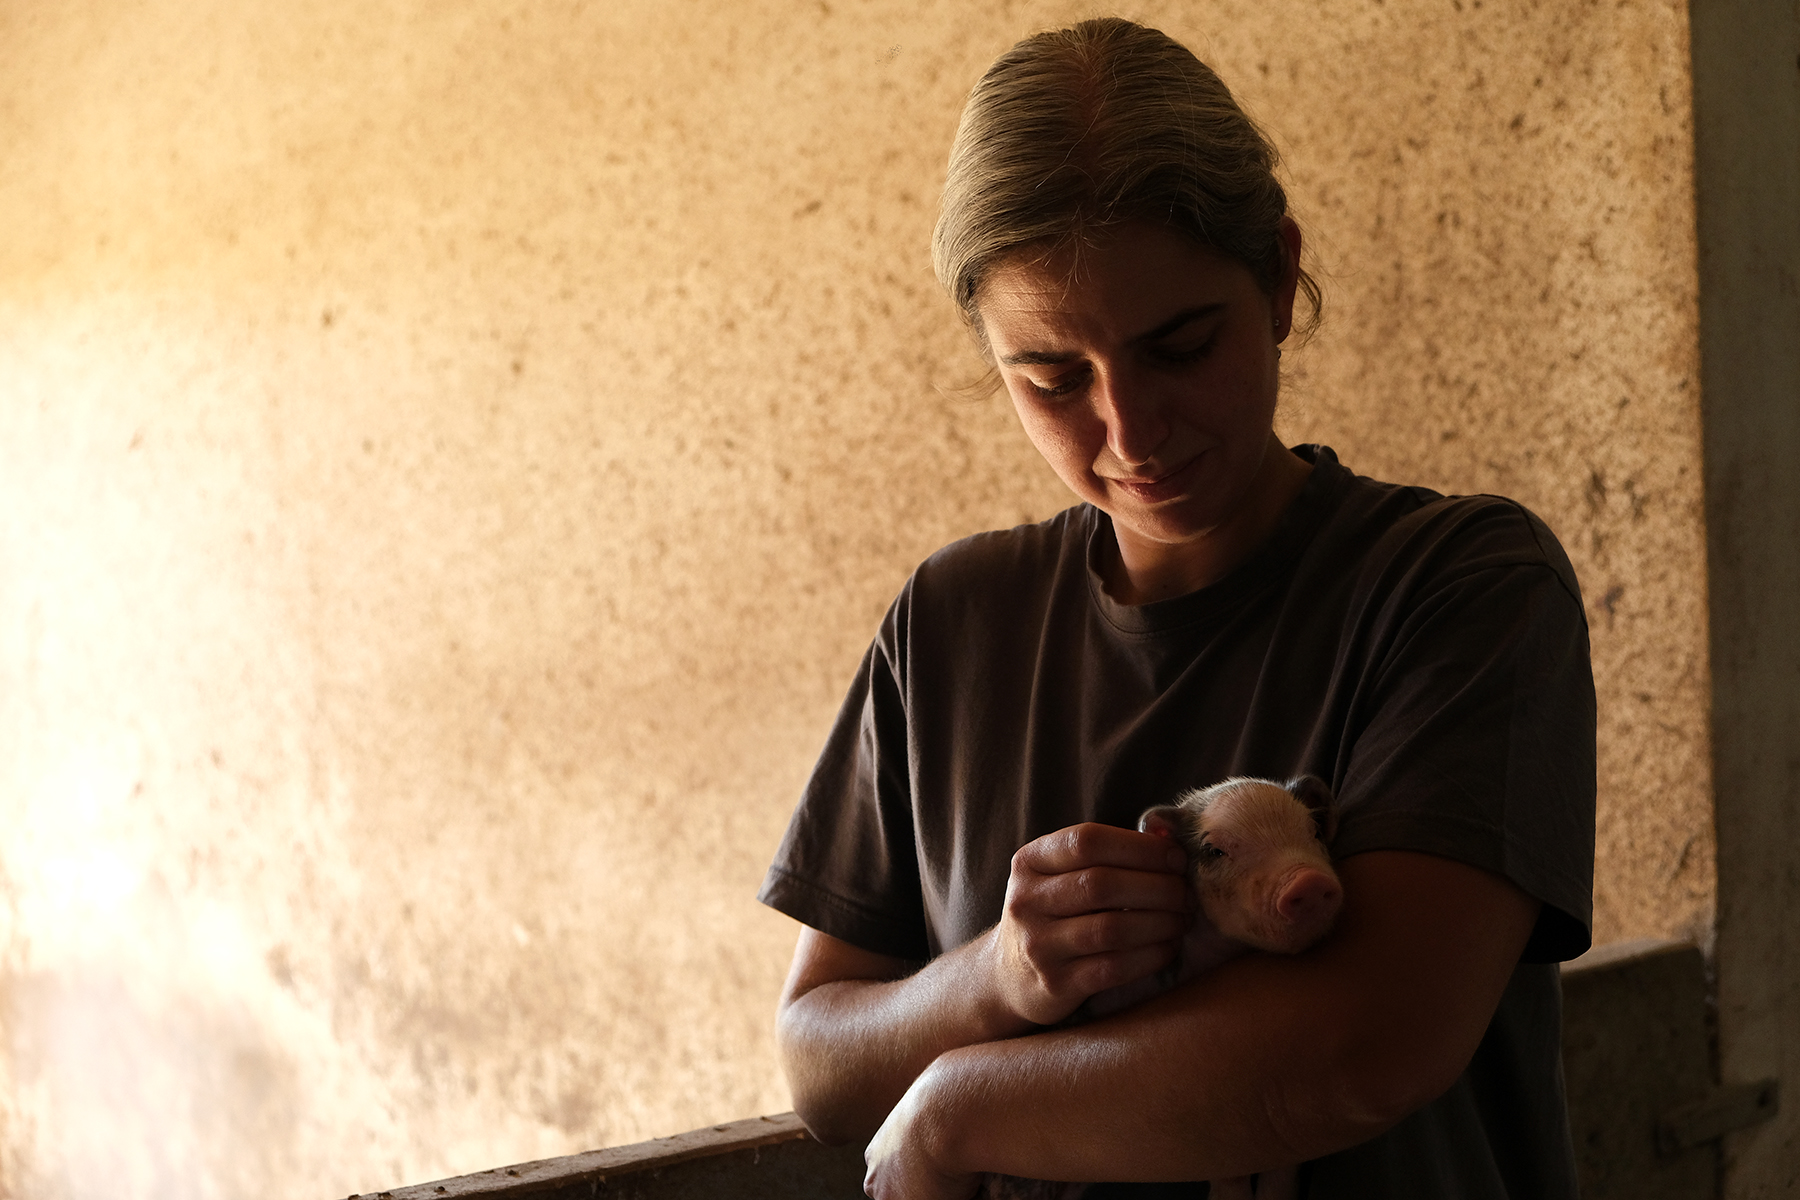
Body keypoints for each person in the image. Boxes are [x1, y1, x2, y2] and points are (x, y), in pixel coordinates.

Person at [758, 17, 1595, 1199]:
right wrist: (995, 977)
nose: (1132, 432)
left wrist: (952, 1109)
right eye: (1054, 378)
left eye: (1182, 346)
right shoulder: (951, 625)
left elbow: (1360, 1052)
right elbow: (819, 1062)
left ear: (1279, 281)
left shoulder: (1461, 588)